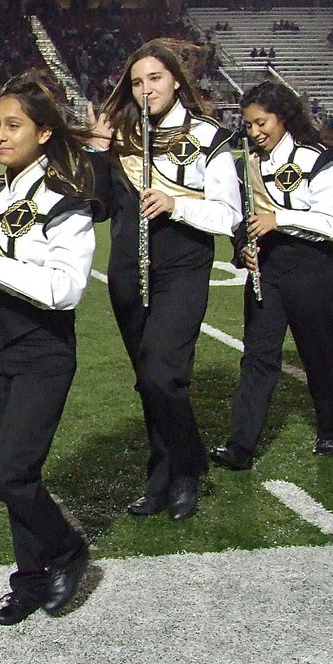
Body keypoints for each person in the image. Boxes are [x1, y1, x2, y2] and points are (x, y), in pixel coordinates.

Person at [0, 73, 98, 625]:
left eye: (13, 125)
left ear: (44, 133)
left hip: (44, 353)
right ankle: (29, 579)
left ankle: (69, 552)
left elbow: (65, 289)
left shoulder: (66, 202)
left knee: (10, 475)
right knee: (18, 481)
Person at [88, 39, 240, 520]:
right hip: (127, 272)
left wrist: (178, 204)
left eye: (154, 78)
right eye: (136, 81)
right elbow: (99, 208)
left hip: (181, 269)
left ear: (176, 80)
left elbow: (228, 214)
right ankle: (162, 476)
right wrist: (97, 149)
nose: (145, 88)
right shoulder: (123, 136)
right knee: (147, 382)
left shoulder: (207, 137)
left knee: (162, 373)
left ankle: (189, 469)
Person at [209, 80, 333, 468]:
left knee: (318, 353)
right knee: (257, 355)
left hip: (311, 266)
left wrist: (278, 219)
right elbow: (239, 220)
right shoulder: (245, 164)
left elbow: (332, 224)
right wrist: (243, 252)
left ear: (282, 117)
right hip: (267, 266)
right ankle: (241, 446)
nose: (254, 133)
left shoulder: (316, 159)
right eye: (249, 125)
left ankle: (330, 429)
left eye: (261, 123)